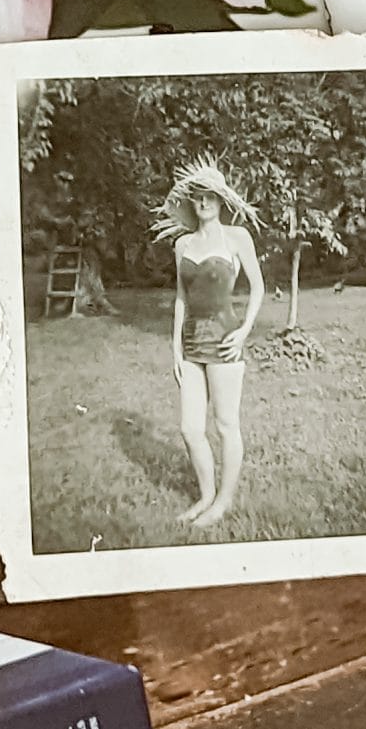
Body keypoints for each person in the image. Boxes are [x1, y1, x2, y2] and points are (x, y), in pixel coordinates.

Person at [152, 159, 265, 528]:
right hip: (191, 345)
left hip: (224, 343)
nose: (204, 202)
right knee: (189, 429)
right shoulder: (183, 244)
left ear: (221, 201)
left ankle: (223, 502)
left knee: (226, 425)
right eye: (197, 196)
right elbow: (181, 298)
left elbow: (258, 287)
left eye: (210, 196)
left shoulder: (238, 238)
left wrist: (245, 329)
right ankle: (205, 496)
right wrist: (174, 348)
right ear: (192, 203)